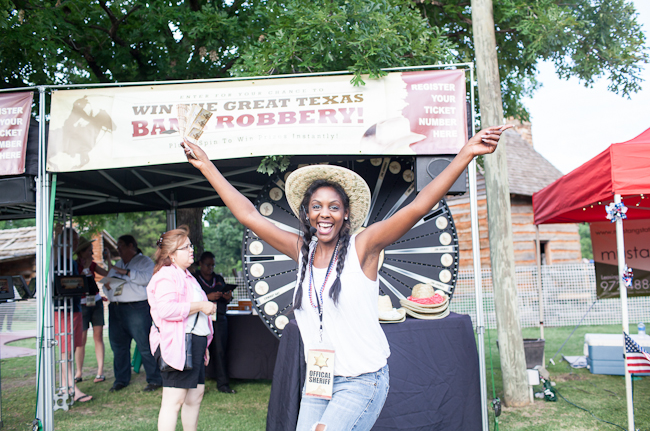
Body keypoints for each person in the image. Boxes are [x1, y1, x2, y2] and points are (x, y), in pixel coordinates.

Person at [182, 124, 510, 431]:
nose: (325, 213)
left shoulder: (363, 247)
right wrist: (207, 166)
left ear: (346, 213)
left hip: (362, 380)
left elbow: (416, 207)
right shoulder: (302, 252)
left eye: (334, 207)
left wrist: (465, 154)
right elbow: (248, 215)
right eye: (317, 206)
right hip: (321, 377)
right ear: (306, 213)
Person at [147, 227, 216, 431]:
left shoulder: (187, 276)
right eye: (185, 247)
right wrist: (201, 306)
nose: (191, 250)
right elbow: (166, 310)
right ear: (171, 254)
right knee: (173, 400)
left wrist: (204, 345)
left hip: (193, 343)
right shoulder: (166, 276)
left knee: (195, 395)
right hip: (176, 345)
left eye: (190, 245)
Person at [104, 234, 162, 392]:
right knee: (119, 346)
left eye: (121, 245)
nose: (118, 249)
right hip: (116, 307)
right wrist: (108, 286)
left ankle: (155, 379)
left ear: (131, 246)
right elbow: (107, 282)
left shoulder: (144, 262)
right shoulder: (118, 263)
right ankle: (121, 379)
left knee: (144, 344)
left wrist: (126, 273)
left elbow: (147, 279)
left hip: (136, 307)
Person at [53, 227, 92, 403]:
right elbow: (53, 250)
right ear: (64, 241)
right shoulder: (57, 258)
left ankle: (66, 383)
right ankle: (71, 387)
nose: (76, 243)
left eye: (76, 240)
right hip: (62, 310)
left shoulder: (72, 261)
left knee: (72, 348)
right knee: (65, 349)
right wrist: (56, 235)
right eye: (73, 240)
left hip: (75, 308)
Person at [193, 251, 235, 394]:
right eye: (207, 265)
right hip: (199, 320)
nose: (210, 268)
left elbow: (228, 298)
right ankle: (196, 385)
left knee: (220, 351)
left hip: (219, 318)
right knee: (198, 351)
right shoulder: (194, 279)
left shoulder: (218, 278)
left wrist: (227, 296)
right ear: (200, 263)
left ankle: (223, 384)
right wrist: (208, 297)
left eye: (213, 265)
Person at [73, 236, 108, 384]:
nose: (92, 254)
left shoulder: (93, 265)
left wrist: (109, 260)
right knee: (81, 339)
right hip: (81, 305)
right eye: (89, 251)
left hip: (96, 303)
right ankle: (79, 372)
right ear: (81, 252)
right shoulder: (74, 265)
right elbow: (75, 282)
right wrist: (85, 270)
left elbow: (107, 275)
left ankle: (100, 371)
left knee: (98, 336)